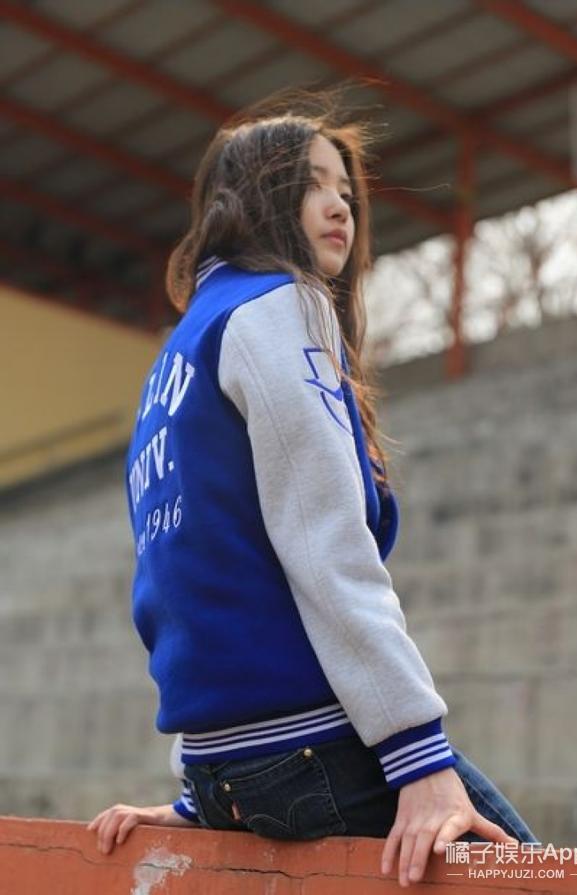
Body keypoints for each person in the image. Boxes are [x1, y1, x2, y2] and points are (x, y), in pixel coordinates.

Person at [88, 88, 539, 887]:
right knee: (542, 878)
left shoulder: (179, 351)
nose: (340, 207)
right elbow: (327, 546)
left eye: (346, 192)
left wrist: (202, 785)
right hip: (308, 746)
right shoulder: (276, 306)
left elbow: (185, 575)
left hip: (230, 764)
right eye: (312, 184)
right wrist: (418, 756)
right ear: (254, 195)